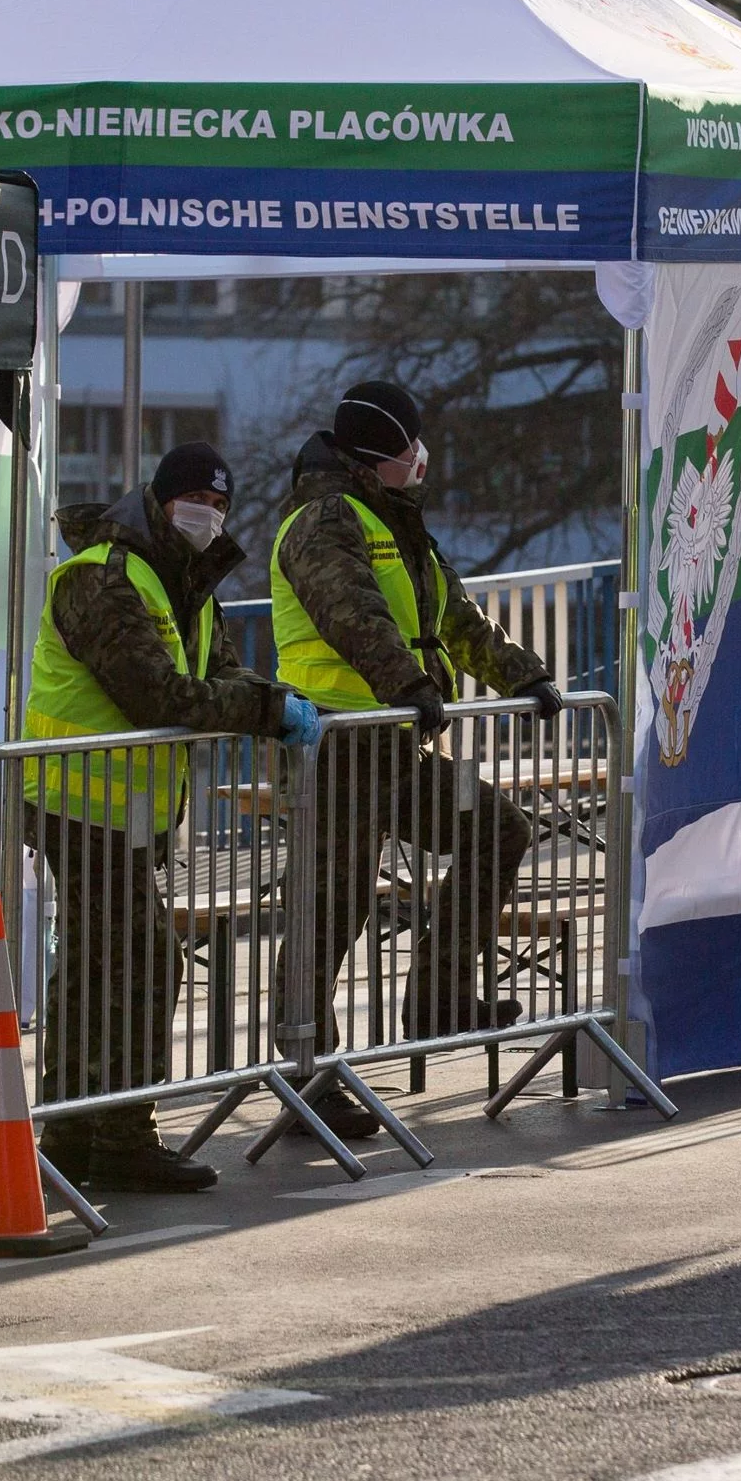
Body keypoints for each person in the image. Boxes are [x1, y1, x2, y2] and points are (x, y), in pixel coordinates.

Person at [270, 382, 564, 1136]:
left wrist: (521, 672)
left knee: (498, 827)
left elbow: (456, 621)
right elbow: (351, 613)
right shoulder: (321, 521)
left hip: (391, 741)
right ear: (375, 456)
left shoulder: (397, 524)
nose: (421, 458)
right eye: (410, 447)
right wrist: (406, 682)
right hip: (331, 747)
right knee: (331, 906)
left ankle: (437, 995)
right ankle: (304, 1072)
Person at [22, 441, 316, 1191]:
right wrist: (268, 708)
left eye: (220, 506)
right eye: (198, 501)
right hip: (77, 799)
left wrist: (270, 701)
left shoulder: (180, 582)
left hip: (124, 806)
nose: (209, 517)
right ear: (161, 500)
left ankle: (77, 1127)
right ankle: (114, 1132)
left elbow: (212, 672)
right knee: (141, 956)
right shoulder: (103, 576)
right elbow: (156, 695)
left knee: (101, 961)